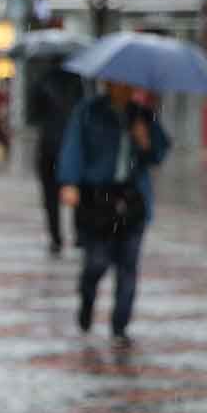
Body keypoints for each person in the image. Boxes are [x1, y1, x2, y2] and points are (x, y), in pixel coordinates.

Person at [57, 80, 170, 349]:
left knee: (128, 265)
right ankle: (87, 299)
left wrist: (145, 141)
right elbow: (74, 148)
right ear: (108, 83)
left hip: (132, 199)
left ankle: (120, 326)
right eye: (119, 83)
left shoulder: (142, 114)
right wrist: (70, 182)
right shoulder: (88, 111)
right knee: (97, 262)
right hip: (97, 199)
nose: (125, 88)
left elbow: (159, 152)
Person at [27, 61, 85, 256]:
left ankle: (56, 238)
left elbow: (32, 116)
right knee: (77, 189)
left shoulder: (42, 82)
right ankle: (79, 235)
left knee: (50, 195)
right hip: (72, 143)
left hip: (49, 145)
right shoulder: (77, 82)